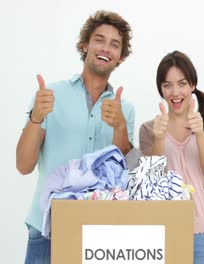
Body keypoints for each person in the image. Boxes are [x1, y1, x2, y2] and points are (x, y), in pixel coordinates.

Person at [15, 10, 134, 264]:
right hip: (48, 231)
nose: (106, 48)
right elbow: (23, 166)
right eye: (99, 39)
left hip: (100, 236)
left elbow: (125, 175)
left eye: (115, 44)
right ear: (85, 45)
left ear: (121, 57)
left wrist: (120, 126)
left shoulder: (126, 109)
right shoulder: (49, 96)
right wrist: (36, 117)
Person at [139, 50, 204, 264]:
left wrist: (200, 133)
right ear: (161, 89)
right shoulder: (149, 129)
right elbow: (150, 182)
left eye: (182, 83)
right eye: (167, 85)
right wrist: (159, 140)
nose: (175, 92)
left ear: (192, 85)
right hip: (164, 233)